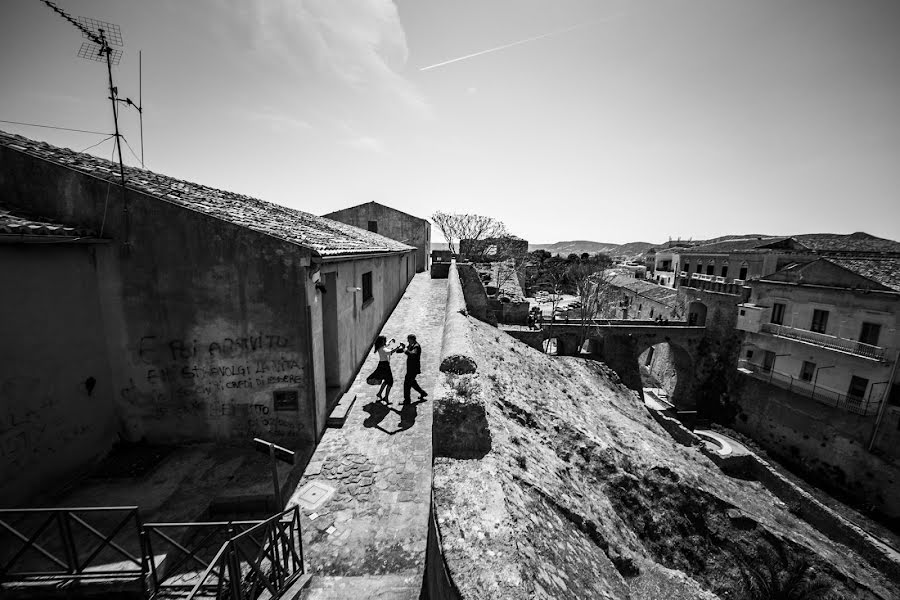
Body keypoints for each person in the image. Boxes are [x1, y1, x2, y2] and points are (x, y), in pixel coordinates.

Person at [372, 335, 403, 403]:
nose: (385, 341)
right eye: (384, 340)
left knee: (386, 381)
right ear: (382, 342)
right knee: (390, 382)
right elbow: (390, 352)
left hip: (382, 365)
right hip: (385, 366)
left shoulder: (381, 347)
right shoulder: (383, 349)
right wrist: (398, 347)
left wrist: (391, 339)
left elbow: (387, 344)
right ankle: (386, 397)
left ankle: (380, 393)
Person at [403, 334, 427, 403]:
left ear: (411, 339)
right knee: (412, 382)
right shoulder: (412, 345)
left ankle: (407, 400)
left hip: (413, 369)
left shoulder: (416, 346)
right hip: (411, 368)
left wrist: (405, 350)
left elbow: (412, 354)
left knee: (407, 383)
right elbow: (405, 349)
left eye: (408, 339)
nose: (407, 341)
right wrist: (402, 348)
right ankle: (422, 393)